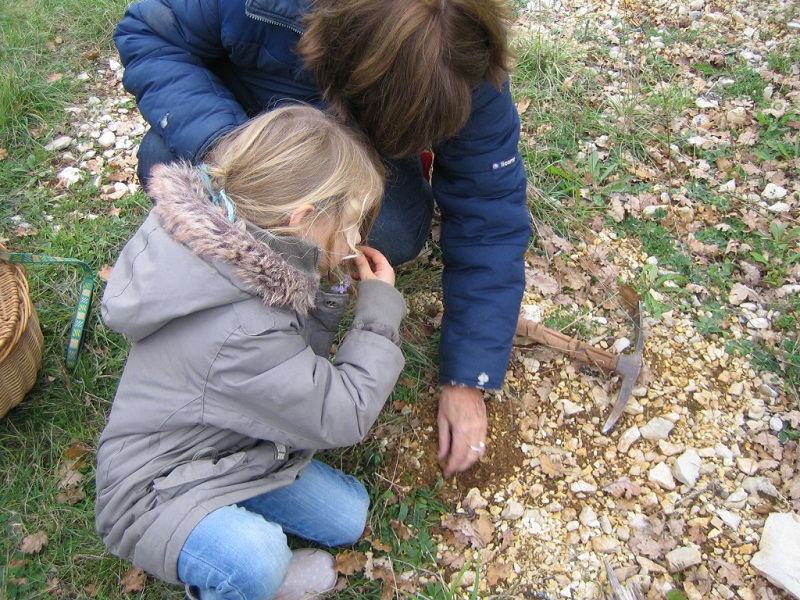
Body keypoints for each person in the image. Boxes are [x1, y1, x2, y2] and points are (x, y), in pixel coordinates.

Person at [114, 0, 532, 478]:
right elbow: (150, 34)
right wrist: (235, 150)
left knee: (392, 232)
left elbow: (489, 211)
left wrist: (469, 375)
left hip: (346, 147)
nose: (350, 245)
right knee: (163, 155)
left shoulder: (465, 59)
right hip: (249, 116)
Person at [95, 105, 407, 599]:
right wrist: (378, 312)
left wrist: (328, 289)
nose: (355, 241)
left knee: (347, 515)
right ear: (302, 220)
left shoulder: (237, 243)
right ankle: (247, 577)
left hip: (230, 447)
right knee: (257, 558)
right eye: (349, 226)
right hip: (153, 493)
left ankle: (252, 550)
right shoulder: (241, 330)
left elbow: (289, 361)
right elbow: (342, 412)